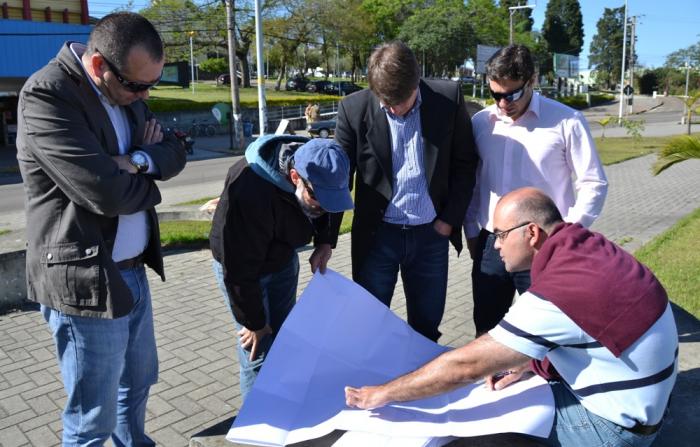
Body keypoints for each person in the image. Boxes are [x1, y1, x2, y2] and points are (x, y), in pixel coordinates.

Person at [346, 187, 677, 447]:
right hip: (641, 407)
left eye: (501, 235)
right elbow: (581, 333)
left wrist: (381, 393)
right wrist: (528, 364)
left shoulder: (560, 292)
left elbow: (466, 366)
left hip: (613, 432)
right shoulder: (585, 248)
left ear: (531, 233)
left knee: (470, 435)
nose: (495, 246)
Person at [16, 12, 186, 446]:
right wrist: (146, 179)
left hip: (131, 270)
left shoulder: (127, 91)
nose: (145, 94)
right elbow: (103, 194)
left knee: (139, 381)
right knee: (93, 416)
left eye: (153, 84)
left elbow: (174, 151)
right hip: (85, 277)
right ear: (97, 66)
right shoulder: (47, 95)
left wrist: (138, 161)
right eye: (136, 85)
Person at [334, 41, 478, 342]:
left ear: (418, 82)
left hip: (430, 236)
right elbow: (337, 180)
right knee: (369, 326)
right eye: (386, 103)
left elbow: (465, 165)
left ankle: (422, 386)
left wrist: (448, 220)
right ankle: (374, 387)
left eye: (402, 102)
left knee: (426, 329)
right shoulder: (353, 108)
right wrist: (325, 239)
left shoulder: (448, 99)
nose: (394, 109)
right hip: (377, 238)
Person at [464, 45, 608, 334]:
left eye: (512, 94)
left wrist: (566, 233)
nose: (503, 103)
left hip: (545, 245)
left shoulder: (566, 121)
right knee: (487, 327)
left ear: (532, 81)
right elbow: (475, 181)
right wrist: (471, 232)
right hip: (493, 242)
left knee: (548, 331)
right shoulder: (482, 123)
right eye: (495, 94)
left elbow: (593, 182)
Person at [209, 136, 353, 399]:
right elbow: (238, 269)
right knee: (258, 352)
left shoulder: (329, 167)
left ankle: (284, 403)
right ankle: (260, 428)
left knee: (284, 341)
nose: (322, 206)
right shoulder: (249, 187)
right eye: (316, 197)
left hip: (283, 259)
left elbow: (331, 206)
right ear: (295, 176)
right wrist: (254, 322)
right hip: (243, 271)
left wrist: (324, 241)